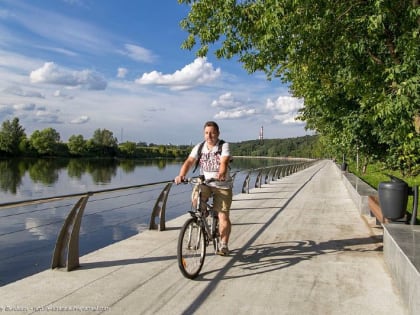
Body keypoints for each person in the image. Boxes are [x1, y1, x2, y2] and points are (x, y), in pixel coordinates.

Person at [174, 121, 233, 256]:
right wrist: (181, 175)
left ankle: (223, 245)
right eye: (207, 133)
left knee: (223, 215)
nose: (209, 135)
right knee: (196, 200)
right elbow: (189, 161)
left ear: (218, 133)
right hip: (205, 183)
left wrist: (222, 173)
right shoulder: (199, 147)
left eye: (212, 133)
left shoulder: (224, 146)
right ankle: (204, 218)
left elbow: (224, 161)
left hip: (222, 185)